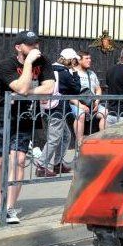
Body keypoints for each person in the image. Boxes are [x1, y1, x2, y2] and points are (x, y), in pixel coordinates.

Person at [0, 30, 55, 224]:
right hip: (1, 115)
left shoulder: (44, 62)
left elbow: (49, 88)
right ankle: (0, 204)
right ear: (19, 47)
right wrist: (28, 64)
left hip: (24, 117)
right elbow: (22, 87)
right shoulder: (7, 65)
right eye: (30, 45)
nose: (36, 48)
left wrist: (27, 92)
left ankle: (9, 208)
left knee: (19, 159)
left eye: (37, 44)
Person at [35, 49, 81, 177]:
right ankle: (41, 165)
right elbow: (76, 89)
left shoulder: (50, 69)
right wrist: (75, 72)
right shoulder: (65, 73)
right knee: (54, 138)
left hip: (47, 107)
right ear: (71, 60)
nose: (76, 62)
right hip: (58, 109)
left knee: (66, 135)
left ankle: (58, 164)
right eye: (75, 60)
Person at [75, 49, 105, 137]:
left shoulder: (92, 73)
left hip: (92, 103)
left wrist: (97, 101)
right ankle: (79, 144)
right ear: (79, 60)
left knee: (105, 113)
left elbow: (98, 89)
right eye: (86, 58)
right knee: (81, 114)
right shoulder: (73, 72)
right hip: (78, 103)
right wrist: (81, 105)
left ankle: (102, 140)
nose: (89, 60)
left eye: (90, 58)